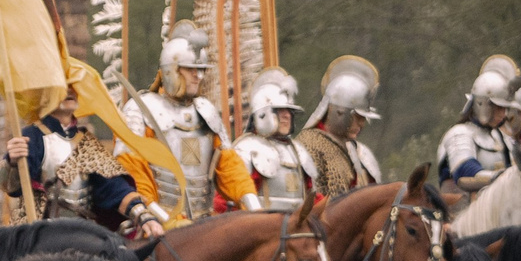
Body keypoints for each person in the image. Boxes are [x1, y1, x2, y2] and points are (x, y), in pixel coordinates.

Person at [117, 23, 259, 216]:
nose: (198, 76)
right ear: (171, 71)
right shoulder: (140, 111)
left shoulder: (206, 112)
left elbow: (230, 168)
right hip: (156, 223)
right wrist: (155, 216)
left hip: (203, 223)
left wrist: (254, 207)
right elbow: (133, 171)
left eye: (201, 70)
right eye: (190, 69)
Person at [1, 87, 167, 238]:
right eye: (62, 85)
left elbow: (113, 189)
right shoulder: (31, 136)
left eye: (73, 86)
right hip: (42, 235)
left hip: (83, 233)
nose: (70, 90)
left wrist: (143, 216)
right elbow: (11, 187)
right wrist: (13, 162)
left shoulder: (86, 142)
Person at [435, 53, 521, 213]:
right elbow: (464, 170)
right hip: (460, 218)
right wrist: (502, 177)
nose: (504, 114)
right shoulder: (460, 133)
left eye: (505, 108)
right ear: (483, 104)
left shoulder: (502, 137)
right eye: (499, 108)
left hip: (498, 213)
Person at [294, 54, 384, 196]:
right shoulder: (309, 145)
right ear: (339, 112)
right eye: (358, 118)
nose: (362, 124)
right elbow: (311, 200)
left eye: (364, 119)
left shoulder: (358, 151)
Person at [233, 70, 316, 213]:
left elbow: (313, 197)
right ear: (262, 114)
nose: (286, 116)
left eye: (289, 111)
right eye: (279, 110)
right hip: (262, 230)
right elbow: (236, 199)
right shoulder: (247, 149)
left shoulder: (299, 151)